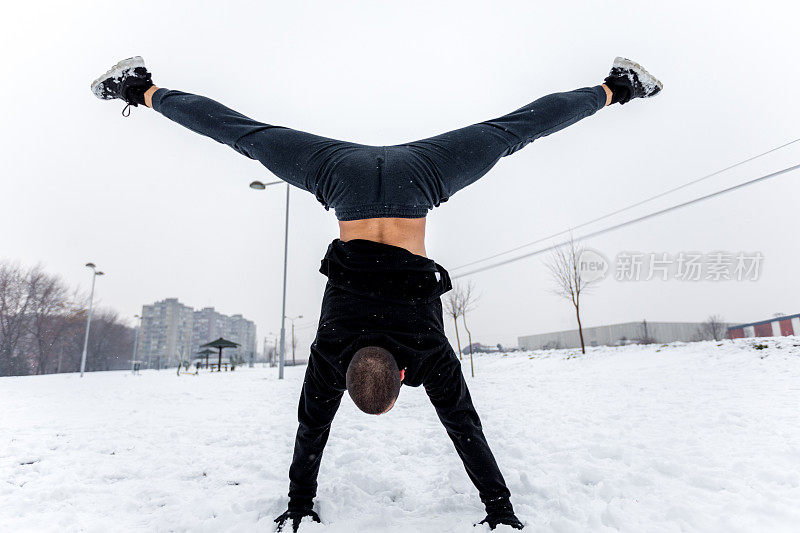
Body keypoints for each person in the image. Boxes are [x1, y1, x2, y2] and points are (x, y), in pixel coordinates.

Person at [91, 56, 661, 531]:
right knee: (245, 134)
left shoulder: (426, 349)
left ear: (401, 381)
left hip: (421, 177)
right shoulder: (333, 345)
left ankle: (617, 87)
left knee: (510, 131)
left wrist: (500, 507)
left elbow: (465, 425)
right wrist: (298, 502)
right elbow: (310, 428)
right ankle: (140, 88)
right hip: (345, 177)